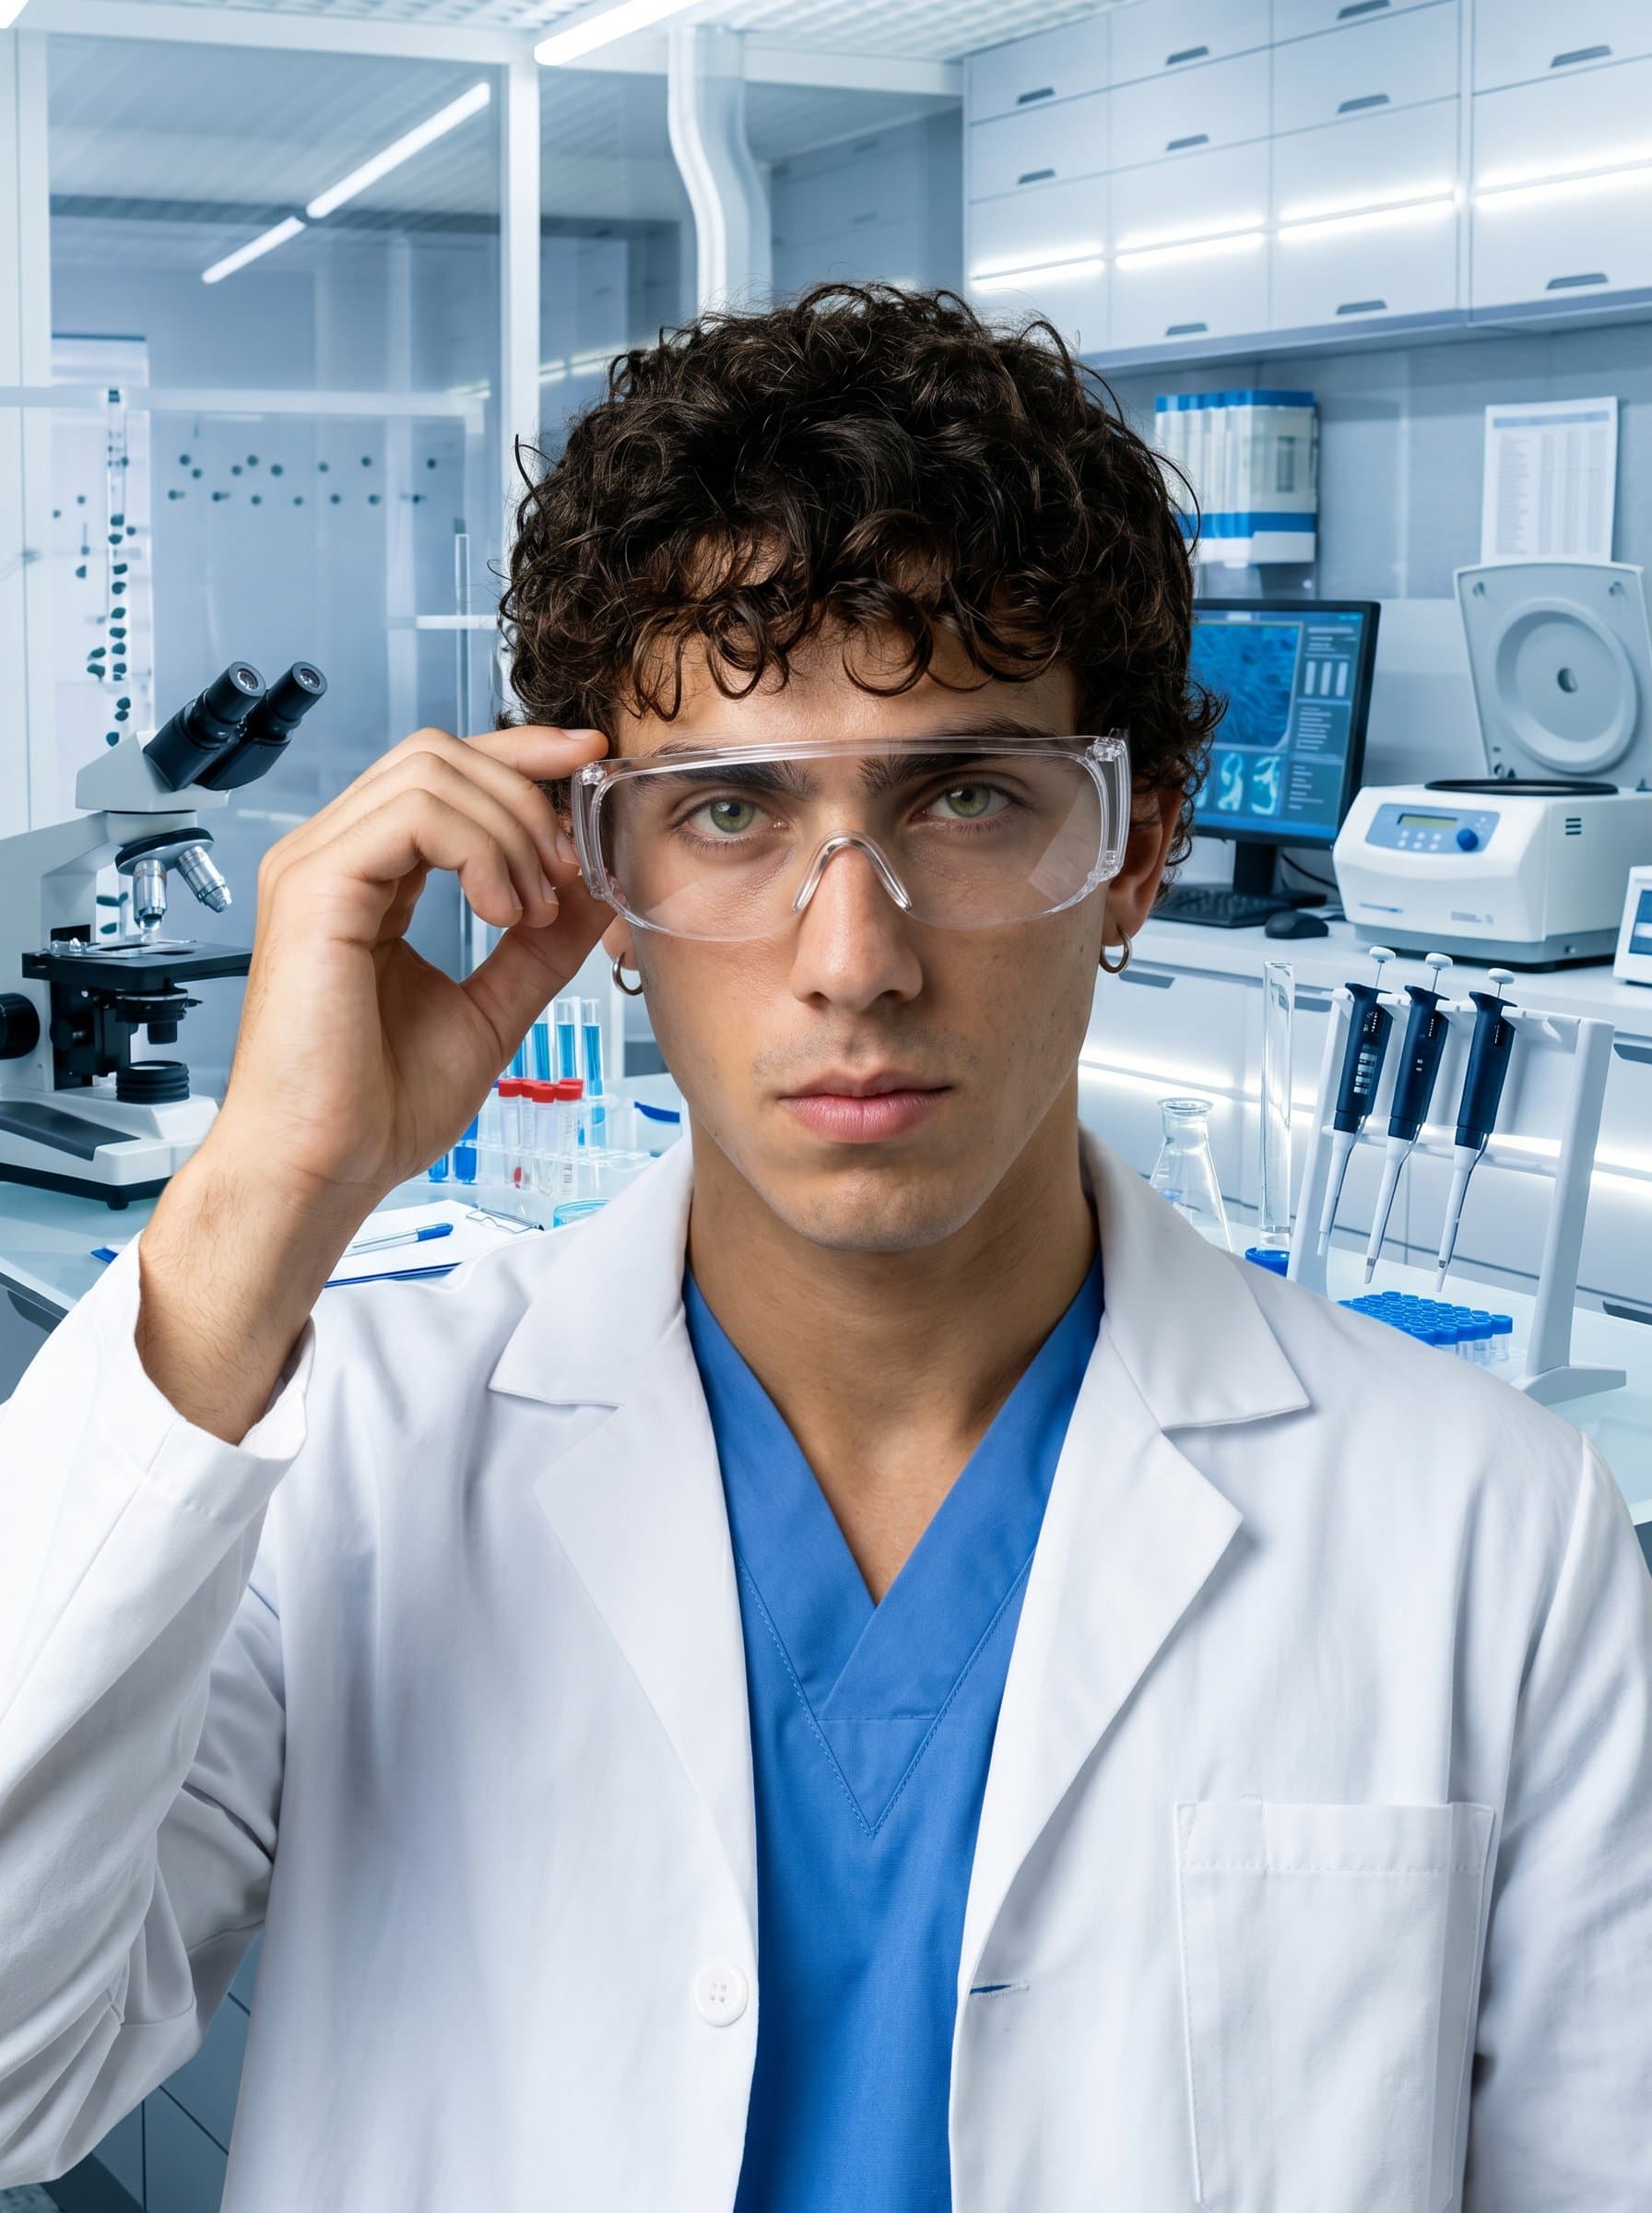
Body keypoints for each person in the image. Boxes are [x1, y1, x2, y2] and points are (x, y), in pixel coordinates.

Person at [1, 286, 1648, 2213]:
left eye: (964, 797)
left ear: (1136, 846)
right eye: (724, 812)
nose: (850, 955)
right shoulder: (352, 1467)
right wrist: (251, 1212)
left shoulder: (1490, 1538)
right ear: (593, 873)